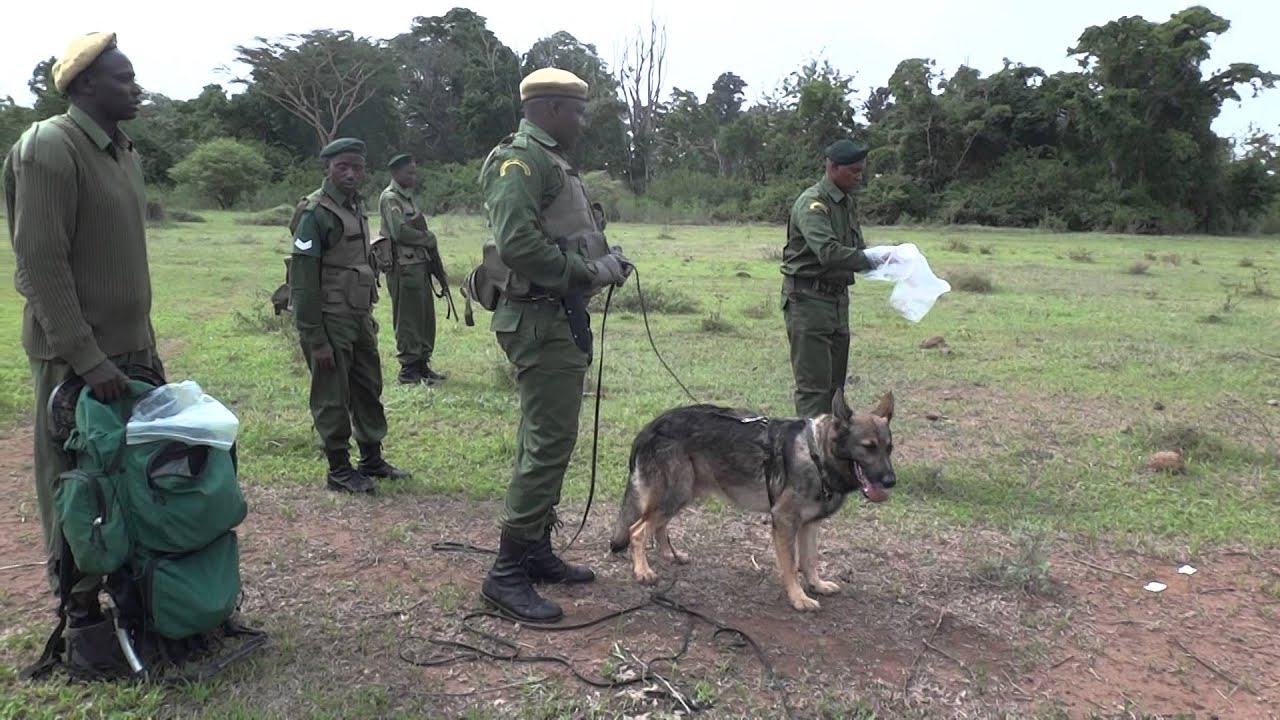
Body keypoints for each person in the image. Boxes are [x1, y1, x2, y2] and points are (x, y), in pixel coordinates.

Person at [3, 31, 163, 669]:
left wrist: (141, 349)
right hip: (77, 360)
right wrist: (86, 356)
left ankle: (135, 601)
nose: (136, 87)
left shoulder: (123, 150)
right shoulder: (51, 146)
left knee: (131, 480)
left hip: (133, 350)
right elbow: (39, 266)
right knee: (75, 486)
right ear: (86, 84)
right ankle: (80, 619)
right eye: (124, 78)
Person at [477, 68, 632, 623]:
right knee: (547, 443)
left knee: (546, 439)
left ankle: (535, 550)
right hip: (538, 318)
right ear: (550, 110)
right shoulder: (521, 161)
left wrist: (603, 261)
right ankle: (506, 574)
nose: (583, 123)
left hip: (557, 315)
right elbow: (518, 245)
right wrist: (588, 271)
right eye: (578, 112)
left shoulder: (553, 161)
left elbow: (559, 235)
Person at [289, 138, 409, 494]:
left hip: (358, 316)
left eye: (357, 167)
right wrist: (315, 338)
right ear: (327, 168)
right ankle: (338, 469)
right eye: (342, 166)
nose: (350, 174)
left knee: (368, 387)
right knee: (331, 394)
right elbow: (303, 281)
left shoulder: (356, 206)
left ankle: (371, 458)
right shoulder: (315, 213)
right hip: (329, 319)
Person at [780, 139, 884, 418]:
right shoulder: (813, 204)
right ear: (833, 167)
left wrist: (892, 262)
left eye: (861, 170)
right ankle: (811, 444)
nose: (859, 176)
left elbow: (855, 250)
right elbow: (828, 252)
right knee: (814, 389)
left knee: (835, 388)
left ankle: (834, 442)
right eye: (853, 171)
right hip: (808, 300)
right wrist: (877, 259)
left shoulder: (845, 203)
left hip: (837, 299)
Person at [374, 153, 447, 385]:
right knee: (407, 318)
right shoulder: (390, 198)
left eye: (415, 172)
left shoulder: (407, 198)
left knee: (424, 316)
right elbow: (399, 232)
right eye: (409, 173)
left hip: (417, 265)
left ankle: (422, 364)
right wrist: (427, 238)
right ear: (396, 173)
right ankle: (409, 369)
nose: (413, 177)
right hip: (402, 267)